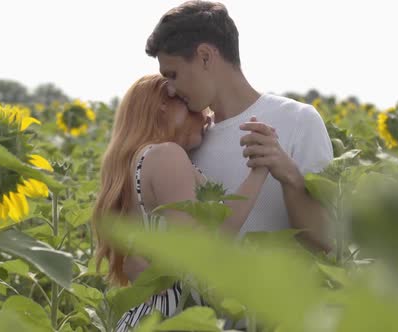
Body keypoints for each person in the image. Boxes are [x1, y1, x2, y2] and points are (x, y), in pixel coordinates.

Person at [143, 2, 334, 328]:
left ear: (205, 56)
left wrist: (289, 176)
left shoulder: (298, 120)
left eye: (172, 74)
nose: (170, 89)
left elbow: (329, 243)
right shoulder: (188, 145)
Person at [91, 74, 274, 331]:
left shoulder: (137, 162)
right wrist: (260, 169)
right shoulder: (166, 155)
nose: (206, 117)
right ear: (164, 107)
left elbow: (136, 266)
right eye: (194, 107)